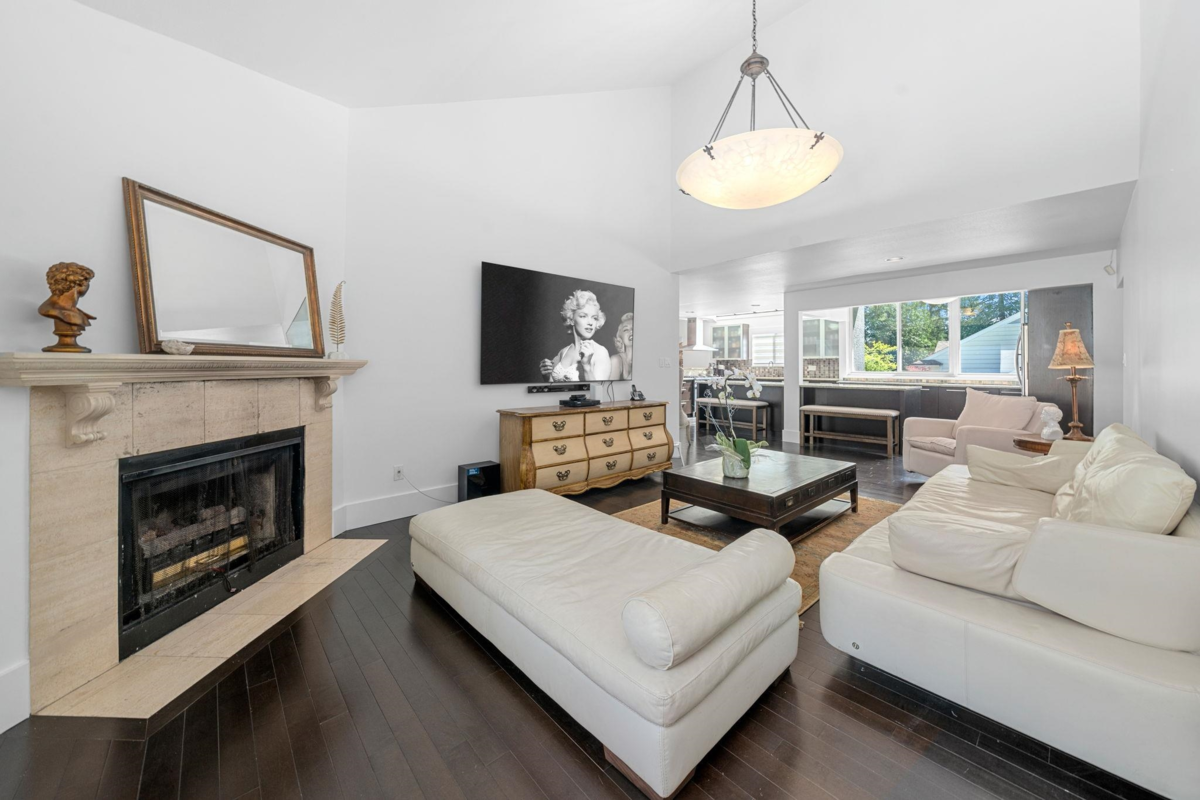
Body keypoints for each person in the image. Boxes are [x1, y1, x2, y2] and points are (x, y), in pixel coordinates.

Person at [540, 289, 611, 381]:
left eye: (594, 318)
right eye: (583, 316)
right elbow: (555, 389)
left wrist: (587, 366)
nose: (590, 323)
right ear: (571, 319)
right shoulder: (563, 352)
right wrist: (547, 376)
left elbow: (598, 392)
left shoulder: (600, 352)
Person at [608, 312, 633, 380]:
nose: (631, 331)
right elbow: (611, 387)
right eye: (626, 330)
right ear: (620, 338)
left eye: (634, 328)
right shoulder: (616, 360)